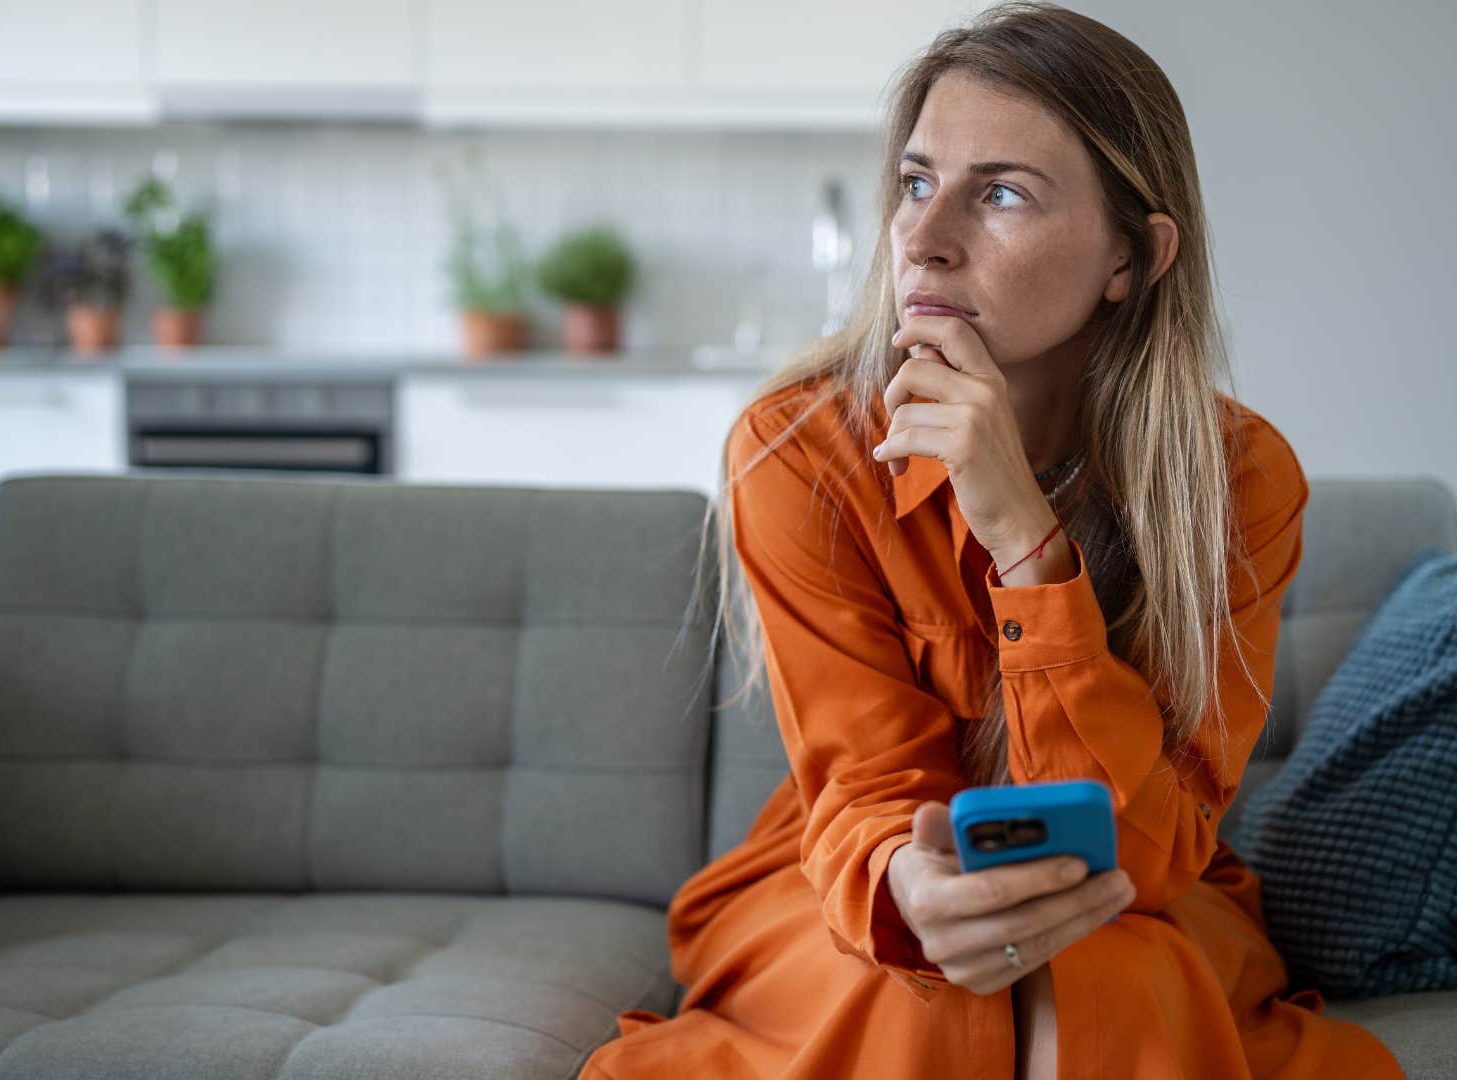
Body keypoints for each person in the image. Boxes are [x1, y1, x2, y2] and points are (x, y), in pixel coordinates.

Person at [579, 3, 1404, 1077]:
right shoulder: (799, 451)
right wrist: (915, 895)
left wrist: (1024, 538)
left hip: (1130, 894)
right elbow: (866, 796)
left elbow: (1153, 849)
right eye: (917, 183)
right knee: (925, 996)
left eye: (1001, 192)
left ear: (1133, 258)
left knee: (1104, 984)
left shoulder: (1240, 479)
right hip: (854, 880)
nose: (924, 236)